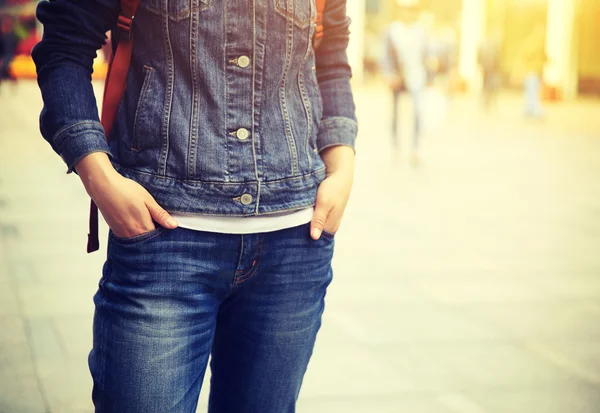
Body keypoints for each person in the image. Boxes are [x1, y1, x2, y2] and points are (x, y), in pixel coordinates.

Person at [32, 0, 357, 411]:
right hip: (163, 244)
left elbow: (331, 57)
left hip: (293, 247)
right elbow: (64, 46)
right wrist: (99, 175)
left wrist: (342, 165)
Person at [380, 2, 427, 165]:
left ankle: (416, 147)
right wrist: (389, 75)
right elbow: (385, 56)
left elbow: (425, 55)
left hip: (416, 77)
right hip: (398, 77)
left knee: (418, 112)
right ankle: (395, 145)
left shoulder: (420, 32)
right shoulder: (392, 31)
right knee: (395, 112)